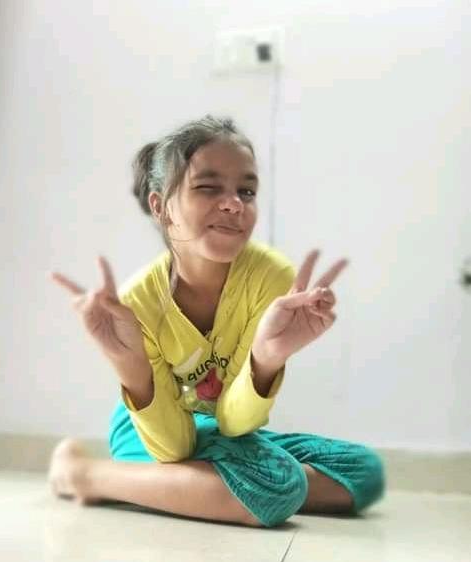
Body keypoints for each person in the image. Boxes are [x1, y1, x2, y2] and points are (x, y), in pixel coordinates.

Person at [48, 115, 385, 528]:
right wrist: (129, 365)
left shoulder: (272, 279)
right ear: (161, 207)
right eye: (208, 187)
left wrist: (266, 360)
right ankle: (84, 474)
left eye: (247, 191)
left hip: (225, 432)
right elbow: (172, 447)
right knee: (277, 487)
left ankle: (196, 487)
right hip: (152, 430)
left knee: (364, 471)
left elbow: (234, 422)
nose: (234, 203)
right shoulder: (138, 301)